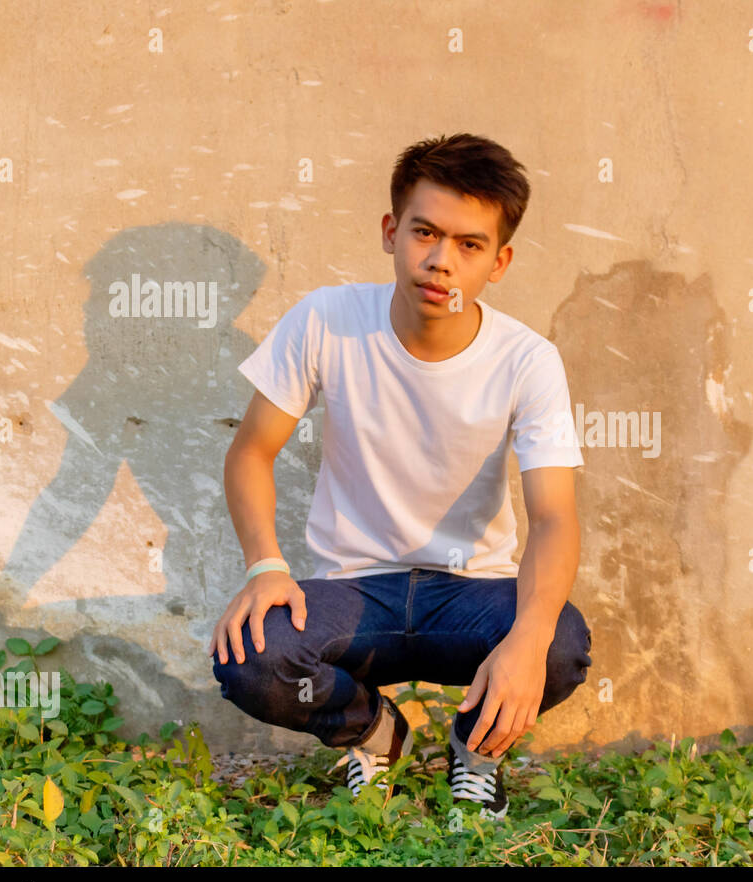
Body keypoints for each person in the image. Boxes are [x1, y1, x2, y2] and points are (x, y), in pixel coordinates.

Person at [208, 133, 593, 821]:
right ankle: (376, 735)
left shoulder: (527, 361)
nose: (440, 260)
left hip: (470, 595)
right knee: (253, 657)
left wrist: (527, 642)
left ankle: (474, 754)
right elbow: (251, 452)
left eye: (469, 245)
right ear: (392, 232)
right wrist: (265, 567)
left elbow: (555, 516)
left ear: (499, 262)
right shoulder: (326, 321)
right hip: (356, 594)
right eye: (425, 232)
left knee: (558, 643)